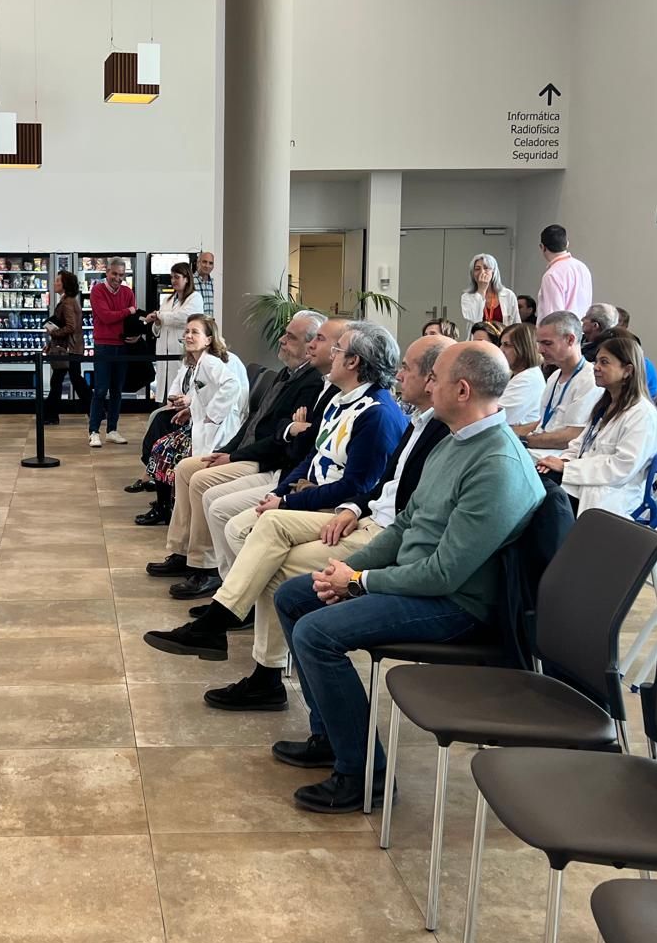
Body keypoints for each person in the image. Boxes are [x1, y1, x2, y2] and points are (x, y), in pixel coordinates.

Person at [271, 341, 546, 812]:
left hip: (457, 605)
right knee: (296, 596)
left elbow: (444, 574)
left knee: (317, 632)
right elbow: (405, 525)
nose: (426, 383)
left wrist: (358, 583)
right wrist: (354, 567)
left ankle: (364, 775)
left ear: (462, 389)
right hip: (419, 581)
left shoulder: (496, 465)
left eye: (435, 376)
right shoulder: (452, 439)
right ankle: (331, 736)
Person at [145, 330, 436, 704]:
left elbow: (361, 483)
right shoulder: (345, 402)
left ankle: (243, 643)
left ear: (354, 363)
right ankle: (230, 617)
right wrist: (282, 494)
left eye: (336, 348)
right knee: (250, 524)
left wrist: (301, 501)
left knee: (270, 557)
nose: (328, 354)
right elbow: (311, 460)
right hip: (340, 506)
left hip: (347, 512)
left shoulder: (379, 414)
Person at [146, 311, 326, 586]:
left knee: (200, 480)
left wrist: (234, 455)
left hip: (263, 459)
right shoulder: (286, 374)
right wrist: (227, 449)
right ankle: (182, 551)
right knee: (184, 468)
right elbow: (255, 422)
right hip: (246, 449)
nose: (281, 339)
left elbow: (280, 439)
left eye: (290, 337)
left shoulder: (310, 382)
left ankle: (205, 566)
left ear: (310, 344)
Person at [535, 332, 657, 517]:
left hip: (610, 492)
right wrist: (560, 461)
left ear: (627, 370)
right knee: (534, 480)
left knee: (543, 494)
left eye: (604, 362)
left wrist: (567, 468)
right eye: (596, 361)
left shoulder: (642, 415)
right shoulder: (605, 405)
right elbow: (579, 444)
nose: (595, 367)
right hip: (583, 481)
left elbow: (622, 467)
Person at [141, 315, 249, 505]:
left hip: (219, 430)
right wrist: (191, 411)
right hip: (202, 426)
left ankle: (166, 505)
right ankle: (167, 504)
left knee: (163, 449)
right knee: (161, 446)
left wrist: (212, 415)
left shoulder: (211, 362)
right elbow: (203, 395)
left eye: (195, 332)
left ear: (208, 340)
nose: (189, 336)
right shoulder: (199, 362)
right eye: (187, 332)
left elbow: (232, 386)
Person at [514, 311, 598, 458]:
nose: (540, 350)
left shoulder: (590, 379)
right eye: (539, 343)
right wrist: (508, 432)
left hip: (558, 457)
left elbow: (572, 436)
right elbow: (543, 424)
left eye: (547, 343)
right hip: (537, 452)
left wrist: (523, 440)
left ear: (570, 340)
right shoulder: (554, 376)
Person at [88, 257, 137, 448]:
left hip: (122, 346)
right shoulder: (97, 290)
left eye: (121, 275)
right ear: (107, 272)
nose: (118, 278)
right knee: (100, 390)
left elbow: (132, 320)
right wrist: (128, 310)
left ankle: (112, 430)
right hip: (103, 345)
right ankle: (93, 431)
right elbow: (106, 317)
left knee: (117, 390)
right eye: (115, 274)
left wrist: (136, 335)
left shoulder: (127, 292)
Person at [144, 261, 204, 402]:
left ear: (187, 278)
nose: (173, 281)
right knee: (163, 396)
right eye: (171, 277)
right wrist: (157, 323)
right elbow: (158, 330)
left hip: (180, 351)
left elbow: (184, 318)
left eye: (177, 277)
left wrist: (160, 316)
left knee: (179, 393)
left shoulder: (195, 298)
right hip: (163, 352)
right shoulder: (167, 299)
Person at [41, 270, 90, 425]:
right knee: (72, 380)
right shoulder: (68, 300)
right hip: (70, 348)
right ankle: (96, 410)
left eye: (58, 281)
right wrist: (50, 344)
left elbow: (70, 326)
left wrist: (53, 333)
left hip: (68, 349)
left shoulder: (68, 302)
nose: (54, 283)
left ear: (65, 284)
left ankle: (51, 415)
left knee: (65, 381)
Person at [535, 224, 593, 321]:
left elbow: (553, 316)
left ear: (542, 247)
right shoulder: (582, 267)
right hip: (581, 330)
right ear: (567, 244)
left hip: (560, 332)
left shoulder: (552, 275)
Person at [459, 253, 520, 335]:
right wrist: (481, 290)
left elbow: (516, 324)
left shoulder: (508, 295)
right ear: (473, 273)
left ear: (493, 271)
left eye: (486, 268)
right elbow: (474, 320)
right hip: (479, 342)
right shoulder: (467, 297)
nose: (482, 272)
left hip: (502, 343)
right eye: (477, 269)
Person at [498, 321, 545, 426]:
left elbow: (496, 418)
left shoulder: (528, 380)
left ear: (523, 348)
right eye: (501, 344)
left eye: (506, 345)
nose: (501, 350)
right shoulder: (514, 374)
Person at [195, 250, 216, 317]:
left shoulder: (215, 284)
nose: (207, 266)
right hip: (195, 325)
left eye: (210, 263)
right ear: (198, 263)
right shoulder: (189, 282)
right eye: (204, 262)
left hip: (211, 326)